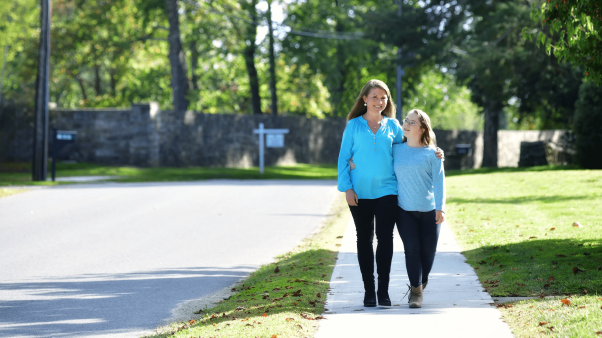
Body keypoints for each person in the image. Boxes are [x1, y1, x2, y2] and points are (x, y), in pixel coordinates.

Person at [337, 80, 444, 307]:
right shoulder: (353, 126)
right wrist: (347, 187)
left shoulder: (394, 126)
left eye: (383, 97)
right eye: (374, 97)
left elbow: (411, 147)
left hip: (388, 192)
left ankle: (383, 291)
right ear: (364, 99)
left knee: (385, 239)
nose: (379, 101)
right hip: (359, 194)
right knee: (363, 240)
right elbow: (343, 158)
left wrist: (435, 150)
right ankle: (369, 292)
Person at [393, 109, 446, 308]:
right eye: (406, 120)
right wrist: (354, 164)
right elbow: (375, 160)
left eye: (412, 122)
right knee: (411, 250)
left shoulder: (433, 154)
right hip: (404, 210)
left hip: (429, 211)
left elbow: (440, 182)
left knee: (428, 254)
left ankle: (420, 283)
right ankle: (416, 291)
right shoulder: (396, 149)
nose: (406, 124)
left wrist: (441, 208)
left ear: (423, 128)